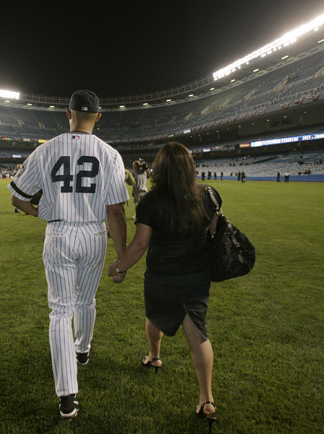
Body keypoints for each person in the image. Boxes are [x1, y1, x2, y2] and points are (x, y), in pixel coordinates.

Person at [9, 90, 128, 419]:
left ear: (68, 113)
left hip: (59, 231)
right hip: (94, 232)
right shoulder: (110, 154)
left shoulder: (46, 149)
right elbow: (116, 211)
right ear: (98, 117)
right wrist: (122, 257)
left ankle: (67, 396)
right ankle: (82, 349)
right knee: (85, 301)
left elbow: (18, 198)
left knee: (60, 311)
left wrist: (40, 213)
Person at [108, 142, 220, 429]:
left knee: (154, 316)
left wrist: (119, 266)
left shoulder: (151, 202)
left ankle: (154, 357)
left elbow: (141, 244)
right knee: (197, 333)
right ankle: (206, 399)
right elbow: (212, 233)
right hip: (196, 275)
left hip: (161, 275)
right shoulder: (208, 195)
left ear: (161, 169)